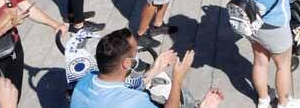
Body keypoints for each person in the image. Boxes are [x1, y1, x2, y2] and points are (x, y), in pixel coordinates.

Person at [70, 29, 216, 108]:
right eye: (136, 52)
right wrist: (178, 78)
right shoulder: (133, 102)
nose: (137, 53)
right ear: (127, 64)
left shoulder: (85, 80)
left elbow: (124, 89)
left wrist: (154, 71)